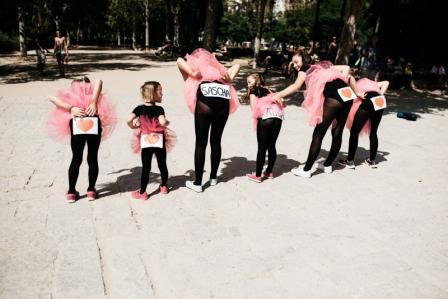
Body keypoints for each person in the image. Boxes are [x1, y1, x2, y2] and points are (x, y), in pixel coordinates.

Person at [273, 53, 363, 178]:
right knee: (337, 132)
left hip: (334, 97)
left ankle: (306, 170)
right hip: (347, 95)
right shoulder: (323, 67)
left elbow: (296, 86)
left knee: (318, 133)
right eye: (292, 62)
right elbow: (346, 67)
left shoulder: (305, 69)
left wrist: (278, 95)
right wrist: (339, 79)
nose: (294, 64)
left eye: (296, 61)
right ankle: (327, 165)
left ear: (304, 60)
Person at [176, 48, 240, 192]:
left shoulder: (195, 77)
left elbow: (179, 60)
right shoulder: (221, 76)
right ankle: (213, 178)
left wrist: (193, 73)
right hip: (223, 100)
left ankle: (198, 183)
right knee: (216, 141)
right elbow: (237, 65)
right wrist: (229, 78)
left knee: (201, 143)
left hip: (205, 100)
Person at [48, 77, 117, 203]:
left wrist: (70, 108)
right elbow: (100, 81)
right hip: (93, 123)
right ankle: (91, 190)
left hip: (77, 125)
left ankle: (71, 192)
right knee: (92, 157)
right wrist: (94, 101)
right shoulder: (93, 96)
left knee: (76, 158)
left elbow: (51, 97)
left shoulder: (70, 96)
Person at [127, 81, 176, 200]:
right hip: (159, 139)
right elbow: (163, 122)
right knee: (162, 164)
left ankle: (143, 192)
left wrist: (133, 125)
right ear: (152, 94)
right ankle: (164, 186)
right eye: (160, 91)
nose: (162, 94)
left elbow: (128, 120)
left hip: (146, 140)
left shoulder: (139, 109)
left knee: (146, 167)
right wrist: (167, 122)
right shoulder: (159, 109)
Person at [339, 79, 389, 169]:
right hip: (380, 101)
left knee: (354, 132)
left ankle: (350, 161)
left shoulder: (357, 84)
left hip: (368, 101)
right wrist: (381, 93)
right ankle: (372, 160)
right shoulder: (374, 84)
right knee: (373, 132)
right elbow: (386, 82)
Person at [245, 73, 285, 183]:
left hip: (266, 118)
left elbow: (254, 108)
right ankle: (269, 172)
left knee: (262, 147)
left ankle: (258, 175)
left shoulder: (254, 90)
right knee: (272, 145)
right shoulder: (269, 90)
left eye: (249, 82)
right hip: (278, 117)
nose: (248, 85)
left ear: (257, 81)